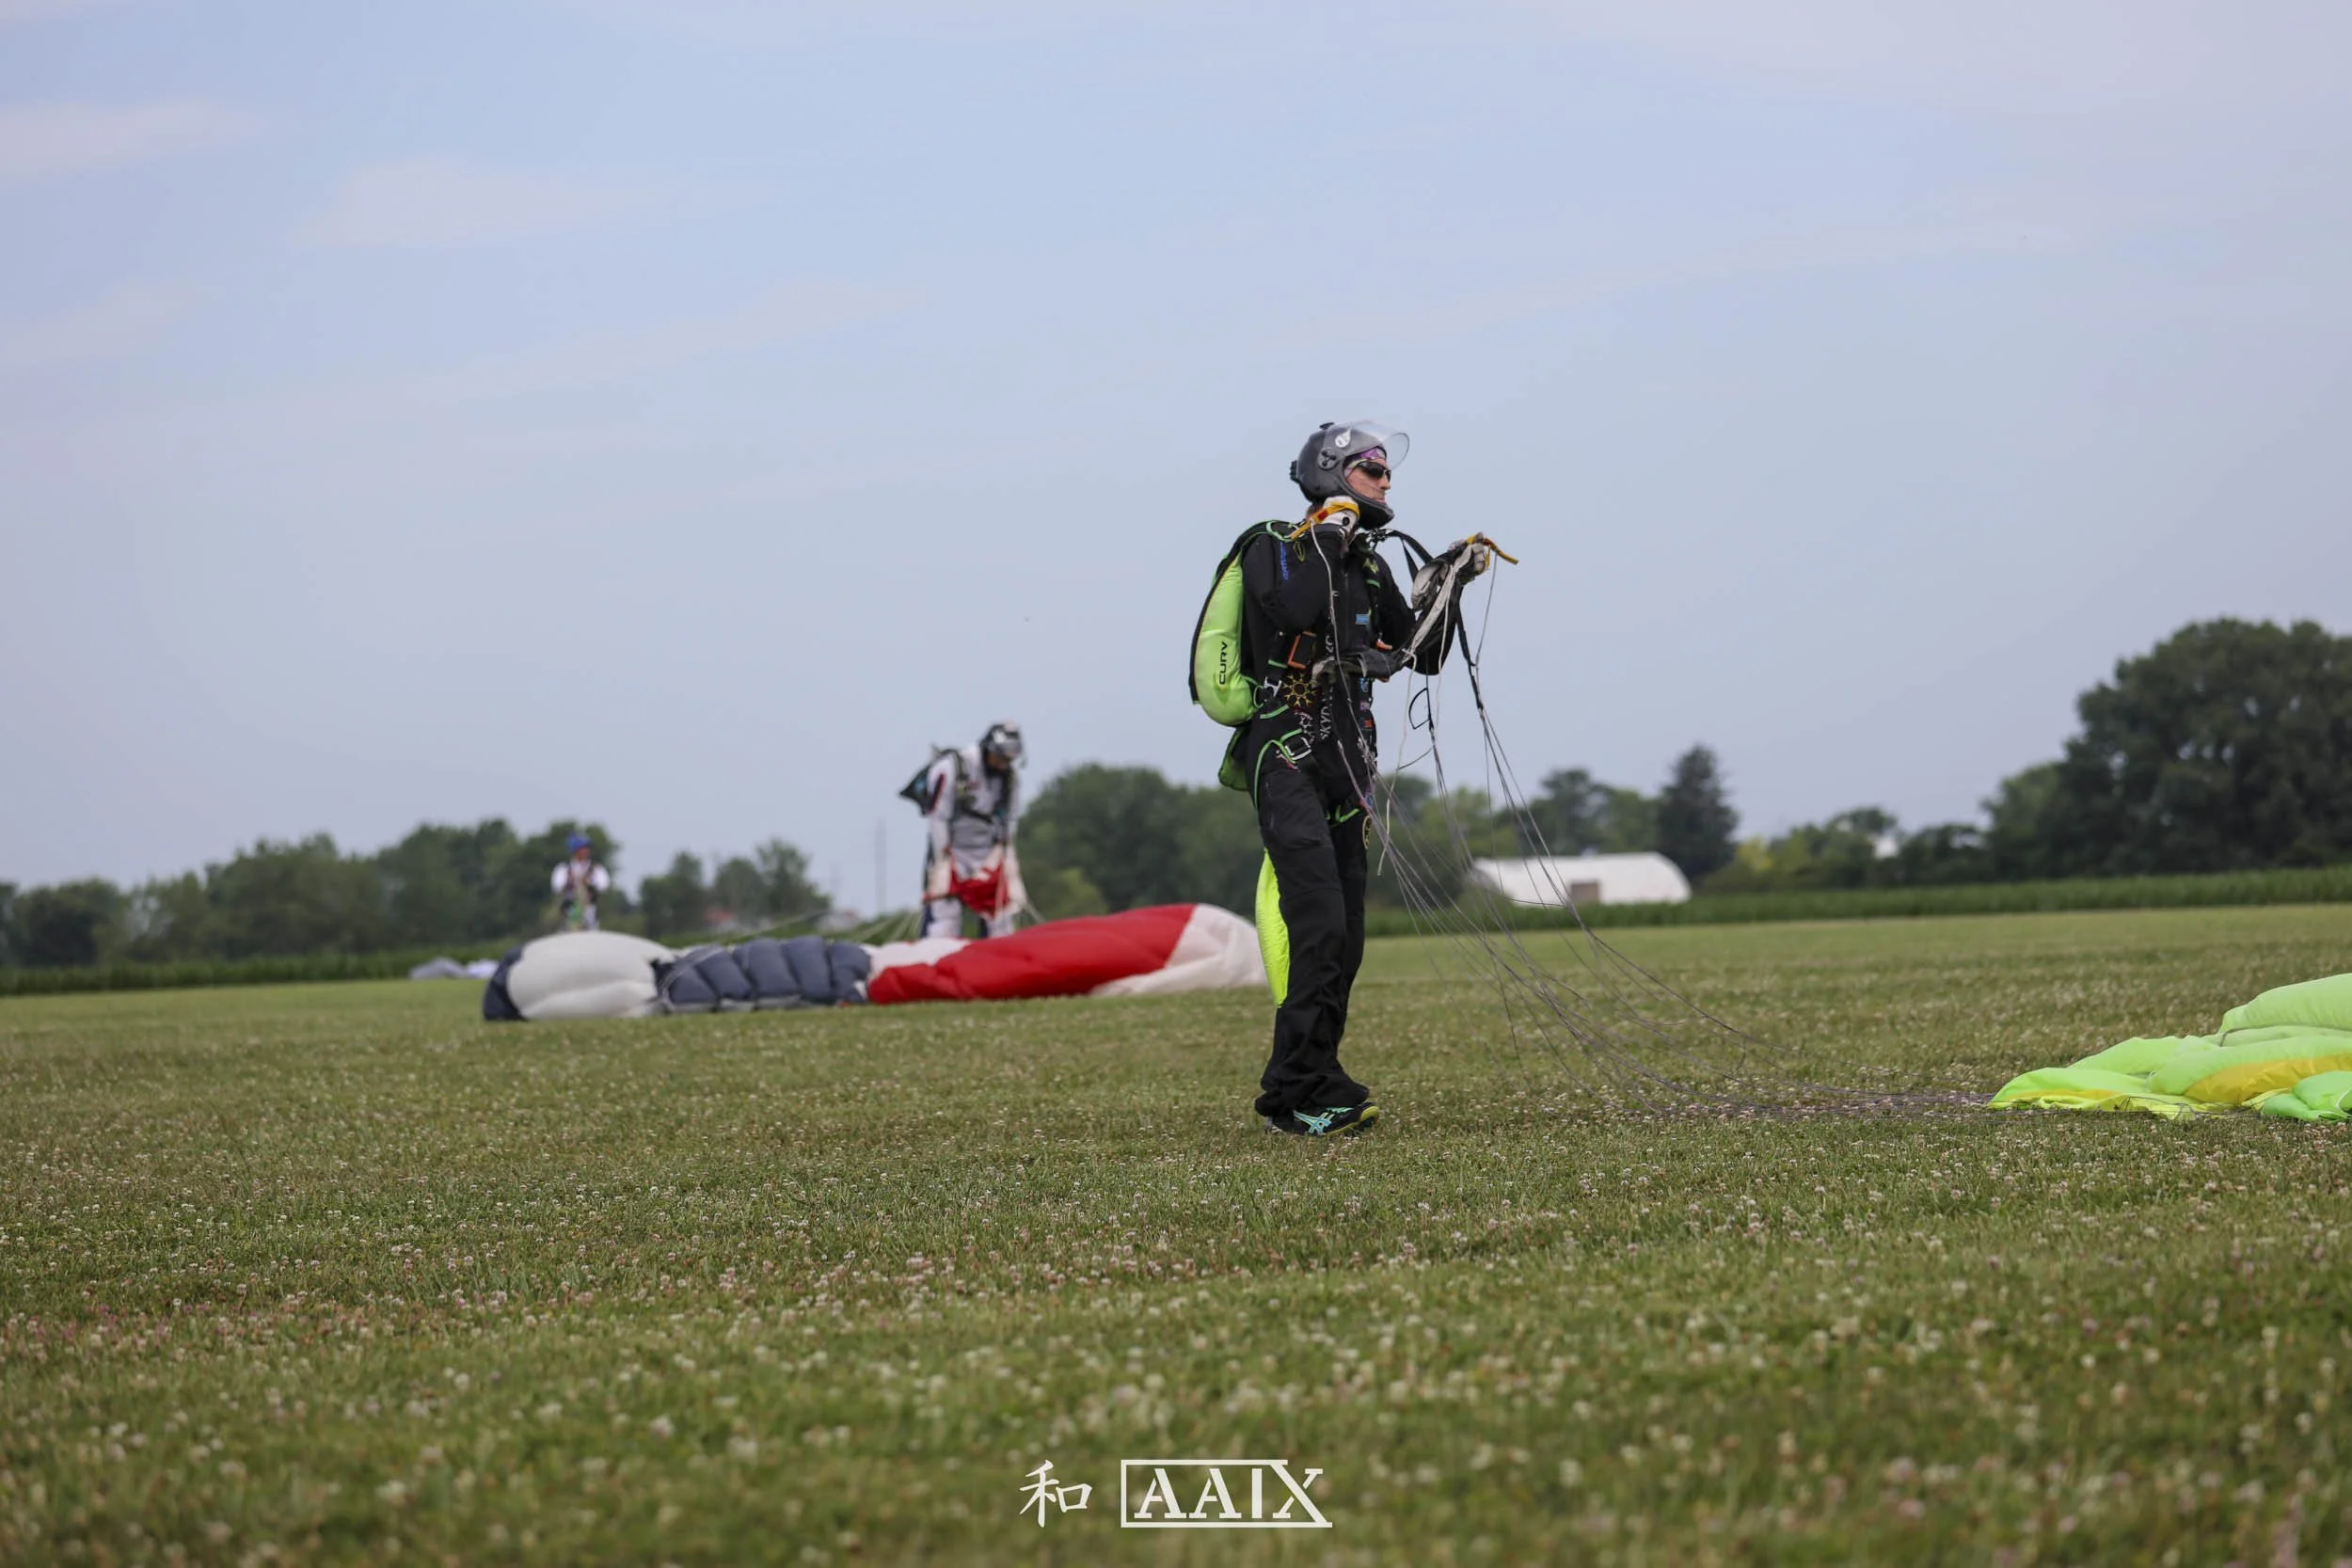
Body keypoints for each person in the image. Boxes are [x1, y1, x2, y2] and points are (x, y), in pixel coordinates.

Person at [1228, 420, 1486, 1136]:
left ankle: (1307, 1083)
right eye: (1371, 469)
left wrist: (1448, 583)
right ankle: (1304, 1090)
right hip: (1284, 753)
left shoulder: (1370, 568)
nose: (1385, 481)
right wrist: (1330, 532)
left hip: (1348, 761)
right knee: (1316, 920)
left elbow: (1419, 653)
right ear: (1334, 473)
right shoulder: (1273, 547)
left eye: (1384, 470)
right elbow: (1293, 609)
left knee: (1347, 934)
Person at [914, 721, 1026, 939]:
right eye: (1000, 758)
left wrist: (1006, 855)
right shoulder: (951, 768)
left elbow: (1011, 818)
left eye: (1009, 760)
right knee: (945, 922)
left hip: (988, 854)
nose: (1003, 765)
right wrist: (942, 859)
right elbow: (938, 817)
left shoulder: (1010, 778)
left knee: (1000, 921)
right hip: (952, 852)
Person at [551, 832, 612, 931]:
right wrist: (571, 881)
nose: (586, 851)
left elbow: (604, 886)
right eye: (583, 848)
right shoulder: (563, 869)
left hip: (589, 912)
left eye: (587, 848)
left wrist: (589, 882)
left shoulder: (596, 869)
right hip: (569, 912)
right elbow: (557, 887)